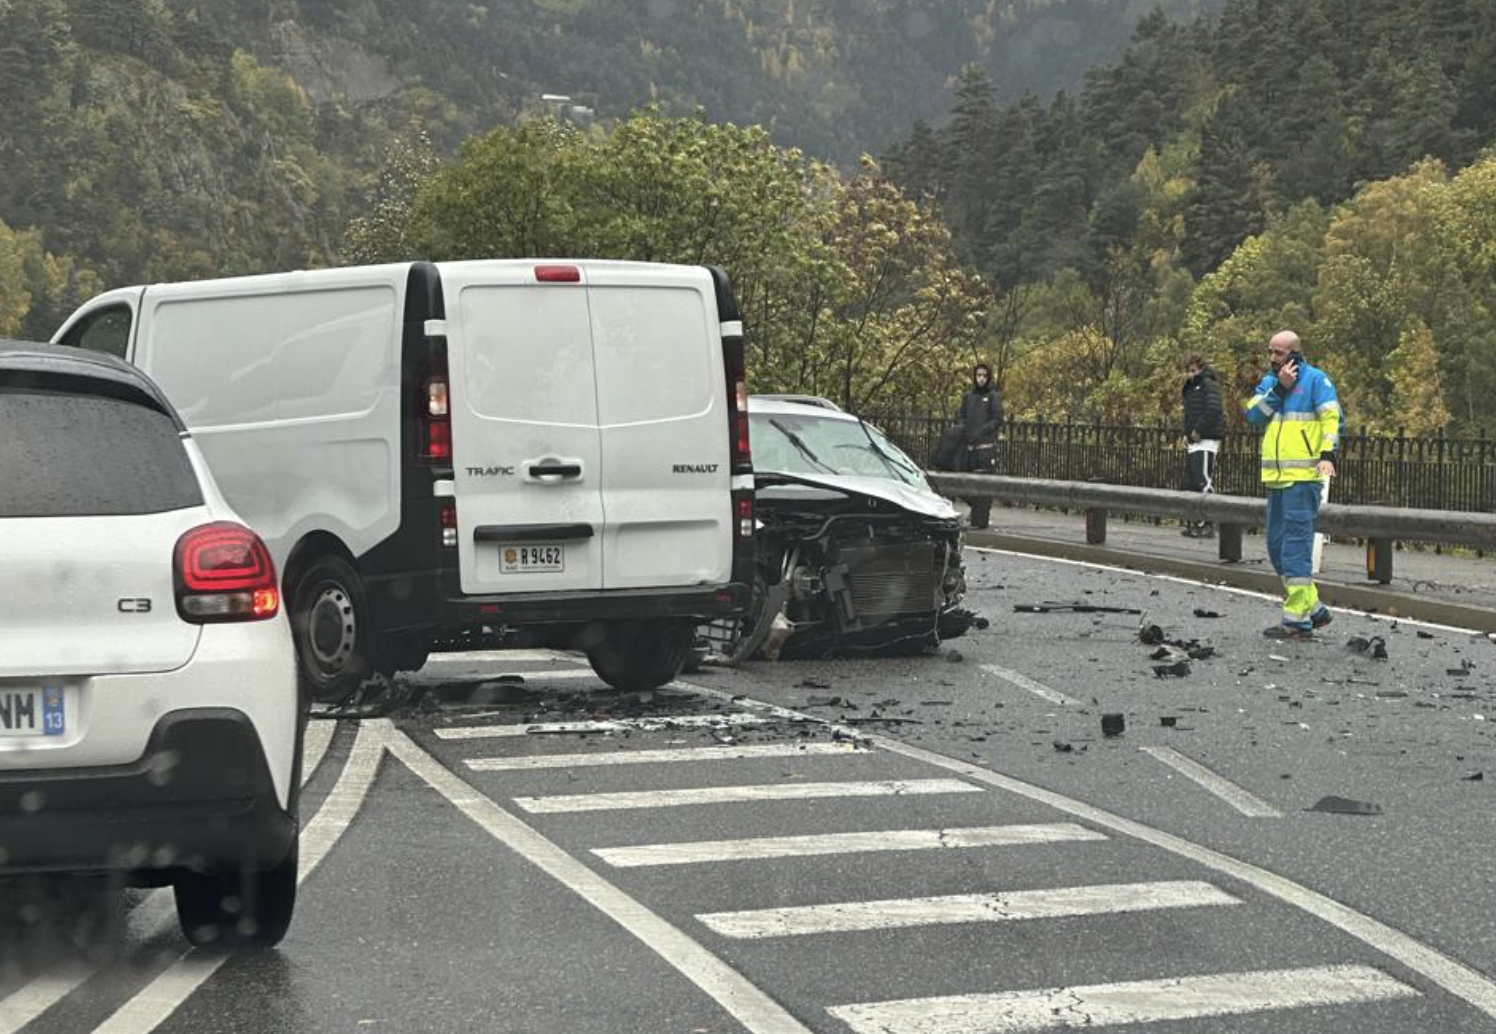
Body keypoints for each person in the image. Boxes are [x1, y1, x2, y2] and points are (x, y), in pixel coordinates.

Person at [1244, 330, 1339, 640]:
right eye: (1270, 352)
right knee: (1276, 548)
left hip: (1303, 479)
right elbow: (1253, 416)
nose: (1273, 358)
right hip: (1276, 479)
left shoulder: (1315, 380)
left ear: (1295, 354)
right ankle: (1314, 609)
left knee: (1295, 549)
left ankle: (1296, 622)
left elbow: (1332, 418)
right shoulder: (1271, 383)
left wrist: (1327, 453)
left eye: (1280, 353)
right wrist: (1279, 391)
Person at [1180, 355, 1225, 538]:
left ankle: (1207, 523)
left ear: (1201, 369)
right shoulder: (1191, 389)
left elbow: (1213, 409)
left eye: (1193, 370)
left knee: (1203, 481)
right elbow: (1190, 414)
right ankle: (1196, 523)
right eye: (1188, 371)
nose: (1190, 374)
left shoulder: (1208, 384)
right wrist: (1186, 433)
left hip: (1205, 439)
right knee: (1193, 482)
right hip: (1194, 440)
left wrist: (1198, 430)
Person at [955, 362, 1004, 529]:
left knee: (983, 483)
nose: (981, 379)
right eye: (978, 375)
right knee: (962, 482)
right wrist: (963, 429)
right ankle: (976, 510)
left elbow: (998, 419)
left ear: (988, 377)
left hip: (985, 447)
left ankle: (981, 516)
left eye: (984, 375)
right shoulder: (968, 396)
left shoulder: (993, 396)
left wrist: (982, 431)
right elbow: (961, 416)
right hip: (969, 447)